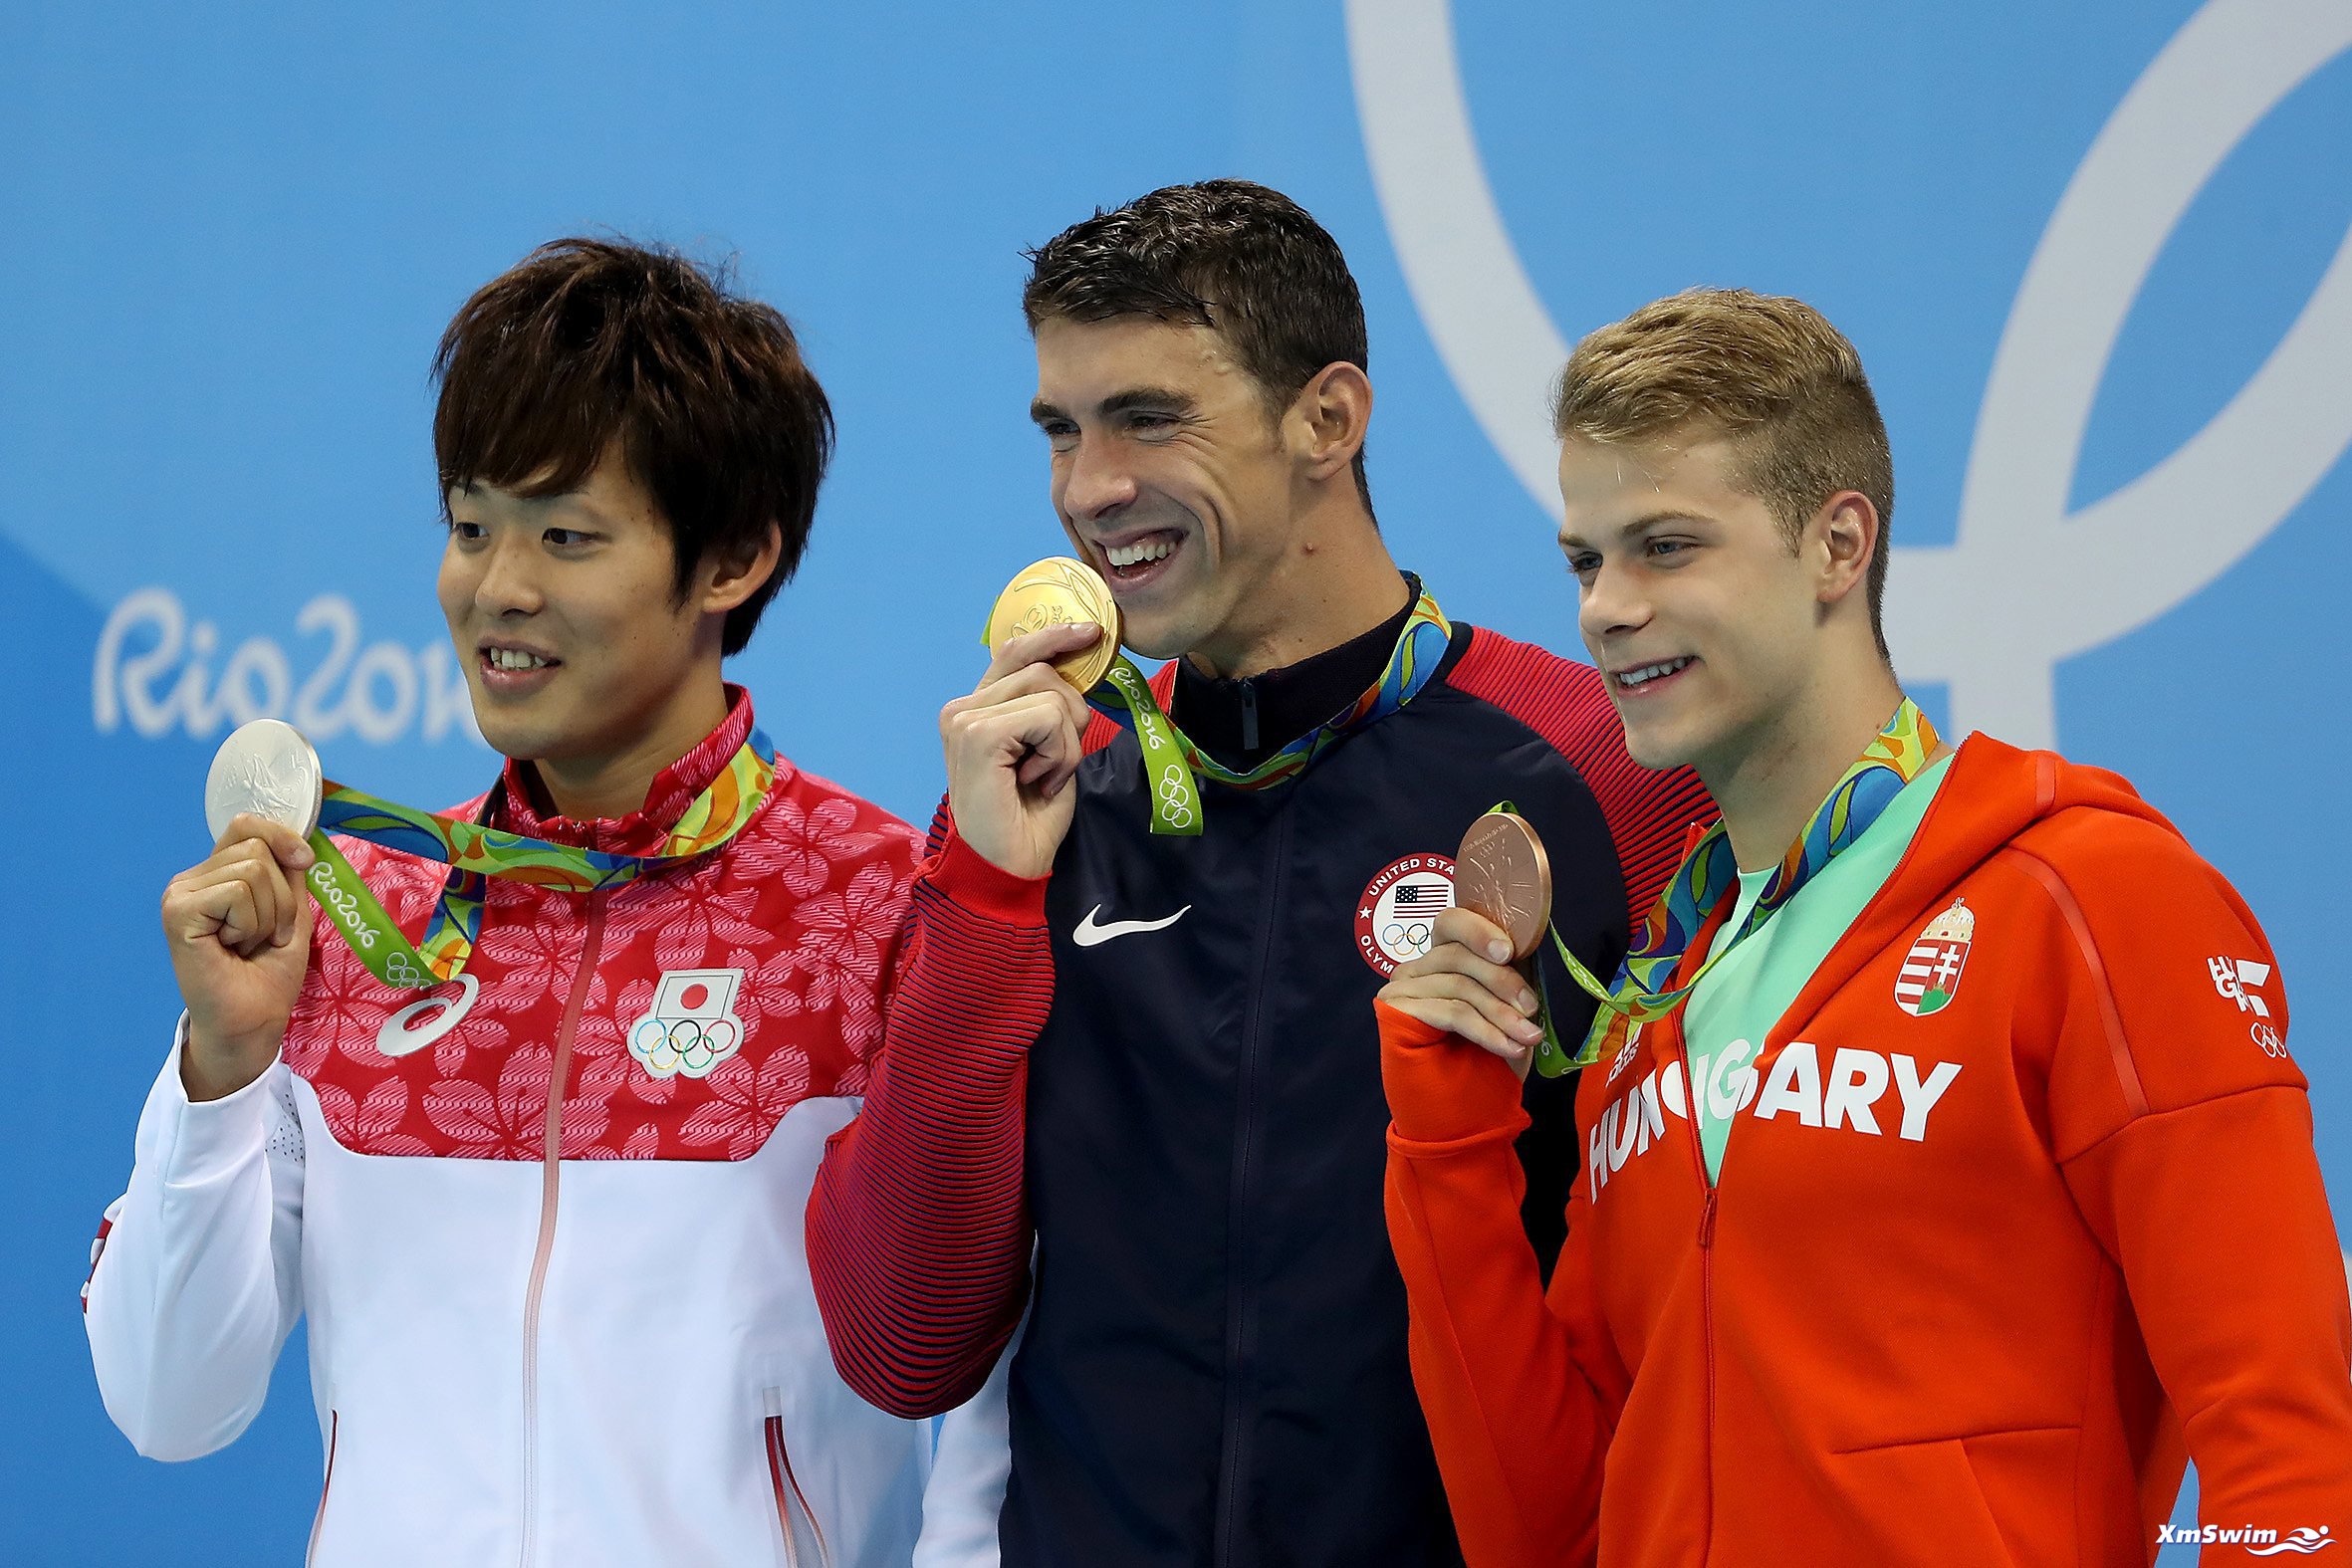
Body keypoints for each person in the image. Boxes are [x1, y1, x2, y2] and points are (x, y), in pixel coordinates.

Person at [806, 180, 1711, 1566]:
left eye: (1149, 417)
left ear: (1327, 421)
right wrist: (985, 895)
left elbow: (1697, 1309)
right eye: (1061, 428)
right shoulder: (1048, 791)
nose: (1089, 488)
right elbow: (900, 1341)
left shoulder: (1595, 774)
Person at [1376, 287, 2352, 1566]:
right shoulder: (1653, 999)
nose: (1604, 607)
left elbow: (2285, 1436)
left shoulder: (2086, 896)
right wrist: (1445, 1145)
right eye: (1585, 559)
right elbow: (1549, 1528)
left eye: (1665, 546)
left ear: (1838, 547)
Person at [84, 237, 961, 1566]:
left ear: (732, 556)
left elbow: (977, 1384)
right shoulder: (354, 920)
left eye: (563, 533)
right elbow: (165, 1402)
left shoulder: (881, 908)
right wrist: (218, 1071)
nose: (497, 585)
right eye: (469, 521)